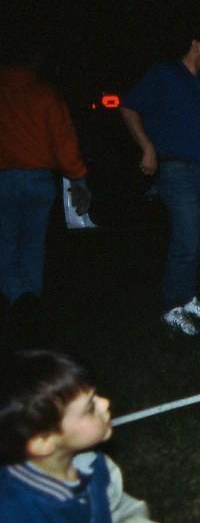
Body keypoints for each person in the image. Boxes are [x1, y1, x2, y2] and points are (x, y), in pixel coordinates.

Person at [120, 25, 200, 336]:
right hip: (177, 171)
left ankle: (188, 298)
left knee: (199, 239)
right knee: (185, 239)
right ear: (195, 43)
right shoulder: (164, 75)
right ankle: (172, 307)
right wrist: (147, 147)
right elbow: (129, 107)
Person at [0, 35, 91, 342]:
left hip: (4, 179)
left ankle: (21, 300)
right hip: (39, 180)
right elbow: (64, 141)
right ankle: (30, 306)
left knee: (5, 244)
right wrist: (78, 176)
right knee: (32, 245)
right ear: (33, 61)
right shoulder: (46, 95)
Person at [0, 350, 153, 521]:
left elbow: (121, 511)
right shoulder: (16, 512)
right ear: (42, 442)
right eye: (90, 408)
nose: (105, 403)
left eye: (96, 396)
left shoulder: (93, 466)